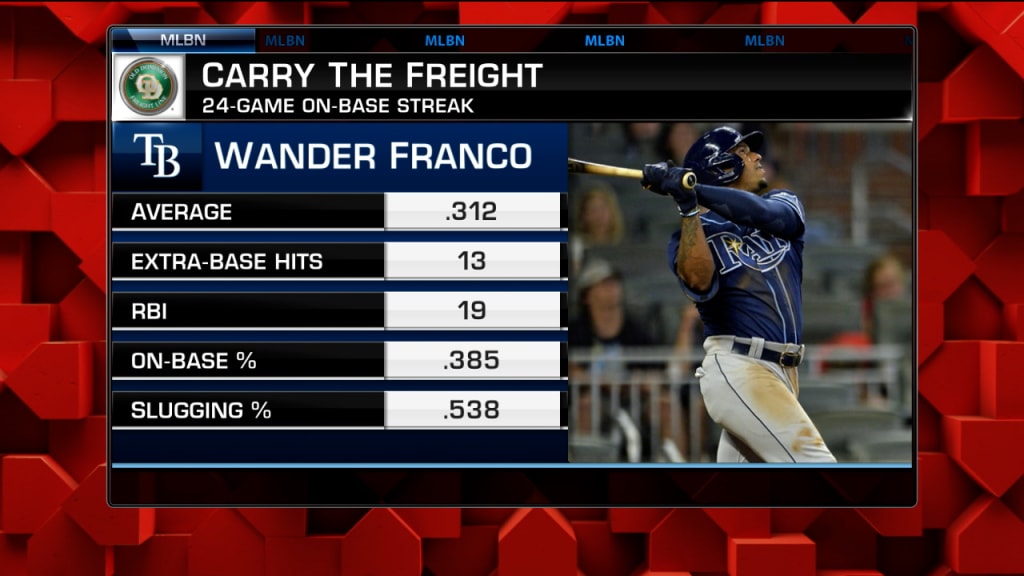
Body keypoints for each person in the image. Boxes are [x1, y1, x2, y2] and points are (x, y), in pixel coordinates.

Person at [641, 126, 836, 463]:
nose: (758, 157)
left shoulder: (783, 202)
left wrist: (694, 189)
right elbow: (699, 282)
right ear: (722, 166)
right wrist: (688, 208)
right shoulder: (691, 235)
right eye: (744, 153)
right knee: (817, 467)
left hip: (783, 375)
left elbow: (764, 214)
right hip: (739, 368)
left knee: (739, 506)